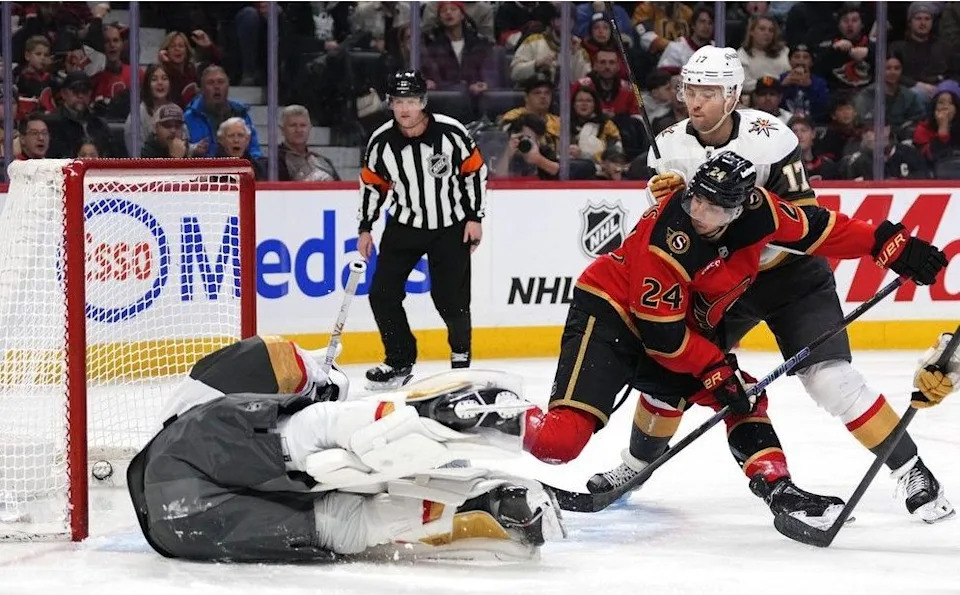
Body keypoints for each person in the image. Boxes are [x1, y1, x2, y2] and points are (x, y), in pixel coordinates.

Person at [591, 45, 953, 524]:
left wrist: (884, 244)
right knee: (671, 376)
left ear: (733, 94)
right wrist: (660, 201)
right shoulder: (669, 145)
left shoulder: (771, 138)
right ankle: (636, 465)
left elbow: (805, 222)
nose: (695, 102)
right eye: (689, 90)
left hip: (791, 276)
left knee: (831, 380)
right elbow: (665, 232)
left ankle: (913, 471)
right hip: (719, 284)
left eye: (707, 92)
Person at [520, 150, 947, 521]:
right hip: (612, 319)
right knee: (559, 442)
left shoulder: (761, 210)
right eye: (696, 198)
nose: (699, 213)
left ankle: (778, 487)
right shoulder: (669, 240)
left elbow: (820, 229)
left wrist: (889, 245)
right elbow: (663, 341)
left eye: (713, 206)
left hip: (671, 332)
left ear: (739, 208)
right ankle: (488, 411)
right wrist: (713, 369)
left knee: (743, 395)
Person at [129, 335, 561, 562]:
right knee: (316, 432)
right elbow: (273, 357)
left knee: (343, 524)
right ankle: (432, 418)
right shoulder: (182, 416)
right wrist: (319, 374)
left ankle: (491, 508)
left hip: (180, 533)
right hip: (179, 456)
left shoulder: (190, 409)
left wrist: (316, 377)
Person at [358, 70, 488, 390]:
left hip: (450, 225)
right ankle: (399, 360)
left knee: (450, 298)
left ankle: (460, 361)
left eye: (412, 101)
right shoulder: (381, 142)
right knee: (381, 294)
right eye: (399, 101)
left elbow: (474, 172)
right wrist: (365, 227)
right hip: (404, 225)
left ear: (423, 102)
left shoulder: (451, 133)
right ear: (390, 104)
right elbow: (373, 185)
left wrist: (475, 217)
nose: (405, 108)